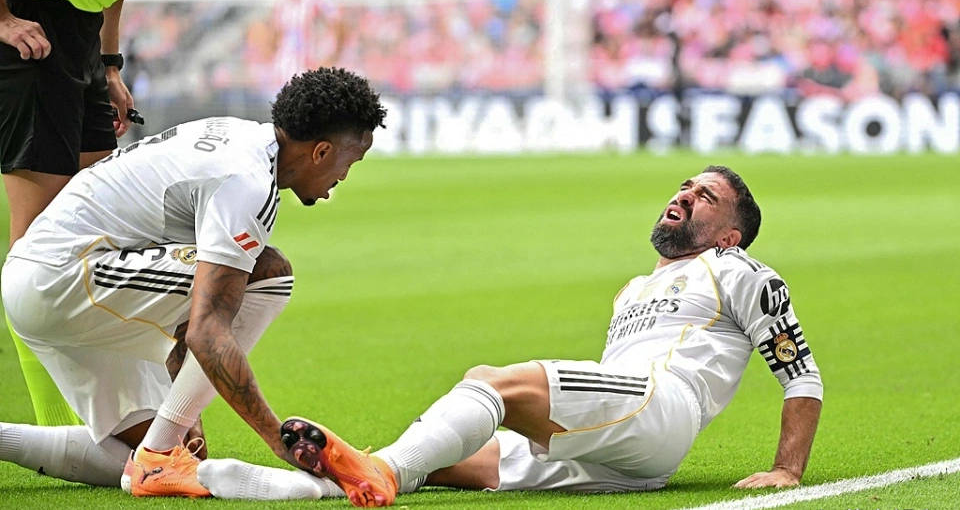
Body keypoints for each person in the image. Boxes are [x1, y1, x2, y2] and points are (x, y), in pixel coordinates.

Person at [193, 165, 823, 505]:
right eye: (685, 185)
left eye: (706, 196)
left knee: (489, 383)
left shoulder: (737, 270)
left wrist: (786, 471)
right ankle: (310, 485)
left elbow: (801, 373)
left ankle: (378, 470)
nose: (685, 194)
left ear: (729, 235)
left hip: (663, 405)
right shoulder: (634, 288)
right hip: (629, 448)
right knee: (437, 462)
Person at [0, 67, 387, 497]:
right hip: (63, 275)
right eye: (350, 162)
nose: (343, 177)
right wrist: (278, 438)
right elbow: (207, 331)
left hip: (49, 278)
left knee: (173, 457)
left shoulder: (239, 137)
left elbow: (192, 310)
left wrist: (182, 395)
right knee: (269, 274)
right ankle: (156, 455)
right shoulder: (247, 182)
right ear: (321, 152)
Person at [0, 0, 195, 427]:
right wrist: (2, 19)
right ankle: (56, 431)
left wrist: (108, 63)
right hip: (30, 17)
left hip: (82, 33)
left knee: (99, 234)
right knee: (35, 251)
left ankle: (116, 420)